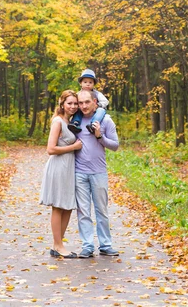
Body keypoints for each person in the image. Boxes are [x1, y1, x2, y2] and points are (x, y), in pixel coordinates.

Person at [74, 89, 120, 258]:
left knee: (101, 210)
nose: (84, 106)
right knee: (83, 212)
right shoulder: (75, 121)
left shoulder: (105, 120)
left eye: (87, 102)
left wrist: (100, 136)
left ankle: (106, 245)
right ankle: (87, 246)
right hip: (79, 172)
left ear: (95, 102)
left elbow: (115, 146)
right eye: (81, 103)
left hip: (99, 172)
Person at [39, 90, 83, 258]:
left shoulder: (70, 121)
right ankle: (58, 246)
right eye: (69, 103)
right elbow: (50, 149)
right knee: (58, 206)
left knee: (68, 206)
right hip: (58, 167)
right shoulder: (58, 121)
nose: (73, 106)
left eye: (75, 103)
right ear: (62, 104)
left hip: (68, 168)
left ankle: (57, 244)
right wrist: (73, 147)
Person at [67, 69, 109, 135]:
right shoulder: (78, 94)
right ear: (81, 83)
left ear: (93, 84)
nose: (88, 84)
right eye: (85, 82)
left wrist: (97, 105)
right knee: (78, 111)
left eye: (90, 82)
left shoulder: (97, 94)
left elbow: (105, 101)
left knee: (101, 111)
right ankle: (75, 123)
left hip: (96, 110)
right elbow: (74, 102)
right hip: (83, 110)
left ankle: (93, 125)